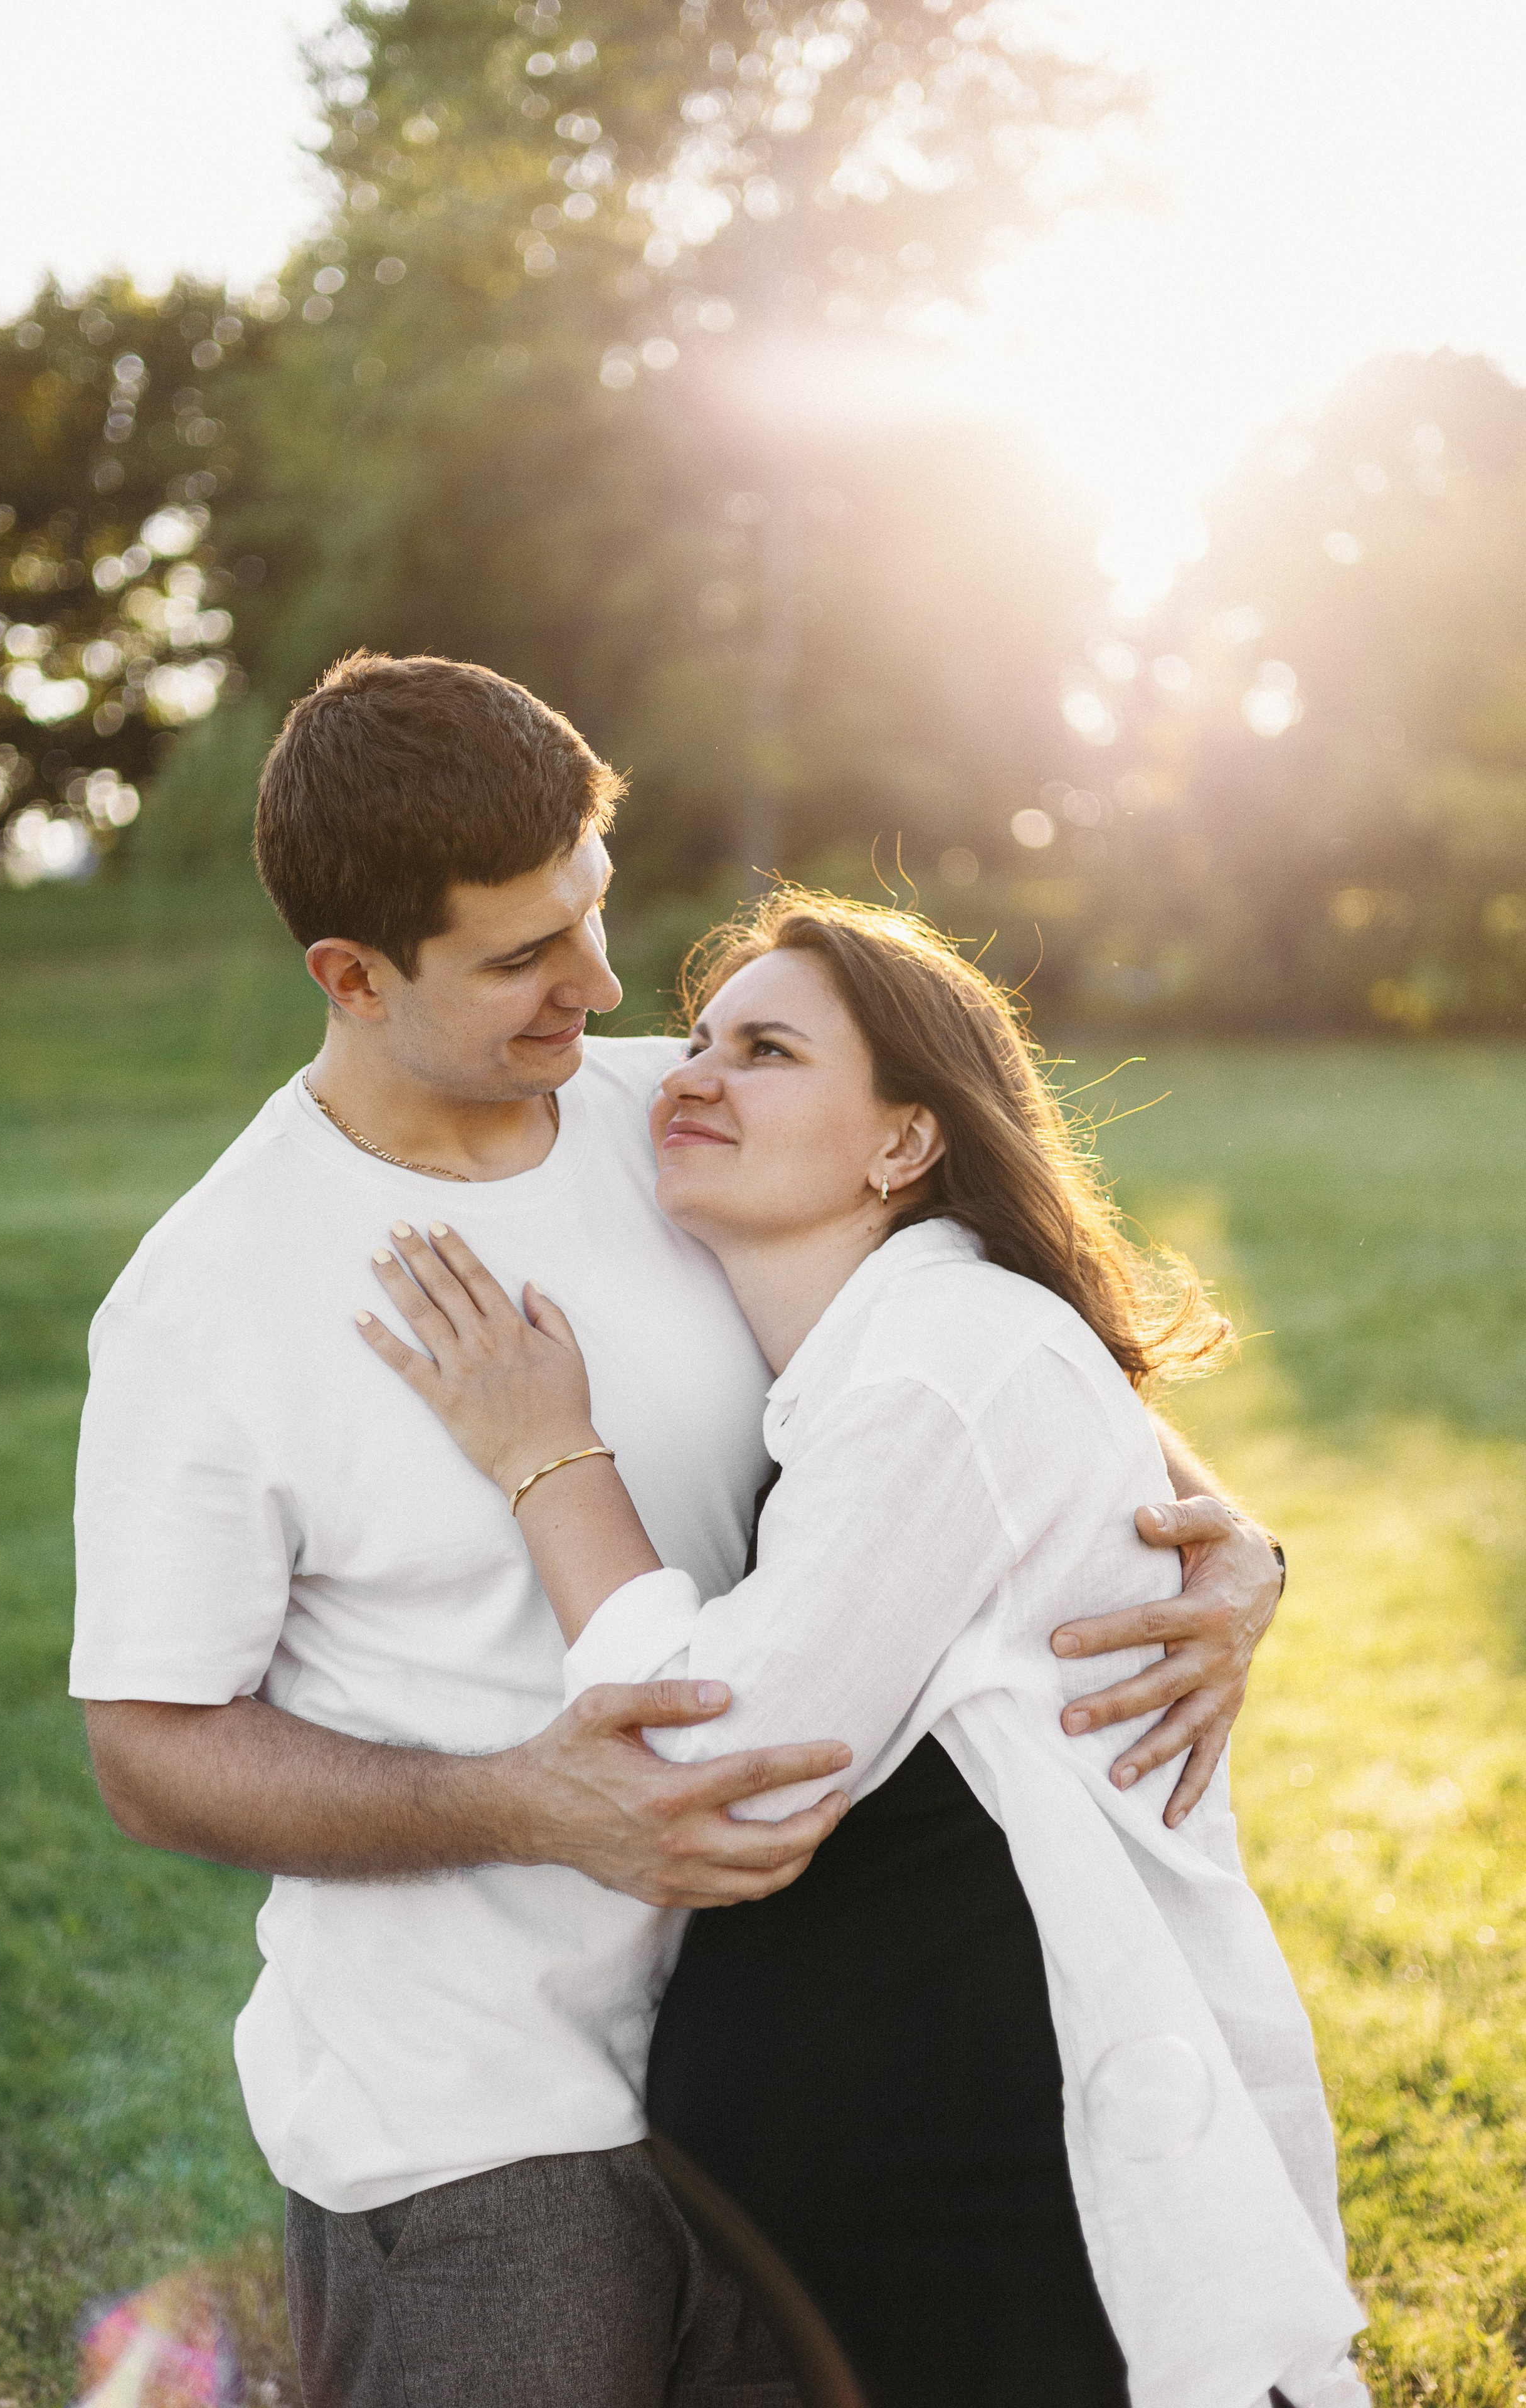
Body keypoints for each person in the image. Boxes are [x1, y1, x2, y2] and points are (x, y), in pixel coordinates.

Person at [73, 653, 1287, 2408]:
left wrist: (1238, 1543)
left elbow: (980, 1370)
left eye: (594, 912)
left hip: (796, 2077)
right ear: (350, 976)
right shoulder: (216, 1297)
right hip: (486, 2127)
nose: (606, 985)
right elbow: (145, 1752)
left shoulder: (691, 1118)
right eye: (522, 959)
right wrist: (517, 1799)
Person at [354, 885, 1368, 2408]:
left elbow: (711, 1767)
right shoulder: (891, 1354)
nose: (689, 1073)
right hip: (896, 2220)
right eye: (693, 1037)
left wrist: (546, 1458)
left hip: (1006, 2198)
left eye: (763, 1049)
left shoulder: (943, 1358)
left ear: (905, 1143)